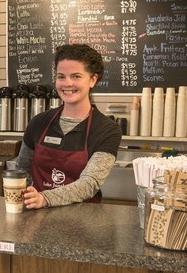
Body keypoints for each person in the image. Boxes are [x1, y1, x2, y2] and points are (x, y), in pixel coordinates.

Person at [15, 43, 122, 209]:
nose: (67, 83)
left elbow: (90, 183)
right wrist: (31, 197)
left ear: (92, 79)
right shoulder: (39, 122)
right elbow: (22, 169)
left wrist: (44, 199)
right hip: (38, 218)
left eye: (76, 76)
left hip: (84, 223)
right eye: (61, 76)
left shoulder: (107, 129)